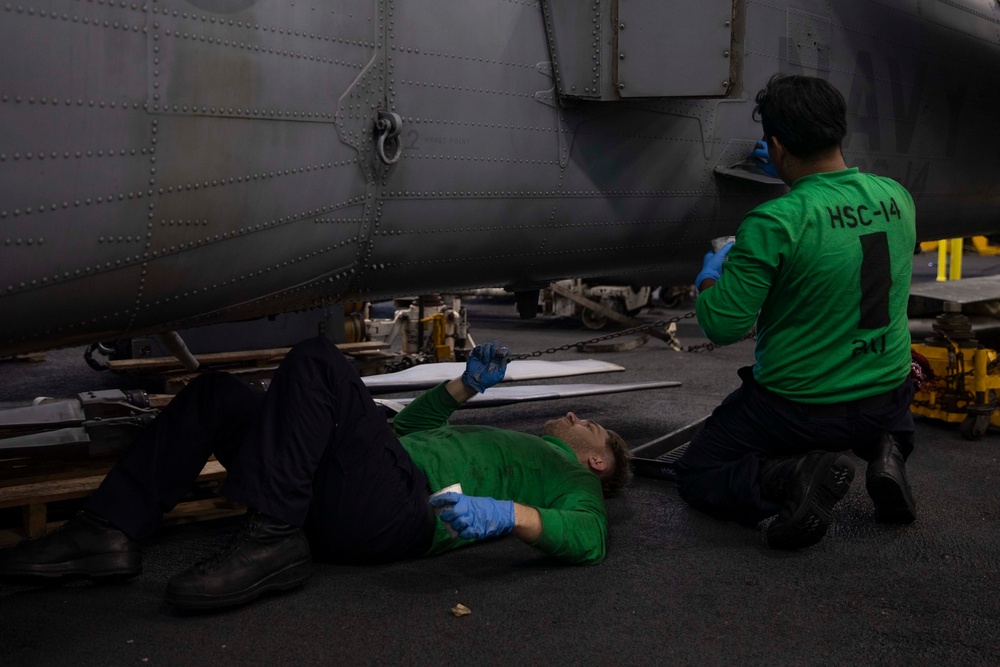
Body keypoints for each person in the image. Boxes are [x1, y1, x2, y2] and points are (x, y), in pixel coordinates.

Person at [0, 337, 631, 609]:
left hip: (399, 514)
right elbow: (401, 435)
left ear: (596, 460)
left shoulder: (571, 479)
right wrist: (464, 386)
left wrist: (509, 517)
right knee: (217, 392)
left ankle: (272, 540)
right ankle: (107, 531)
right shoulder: (508, 442)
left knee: (319, 360)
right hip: (363, 485)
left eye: (591, 427)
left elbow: (591, 540)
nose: (576, 415)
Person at [676, 74, 918, 550]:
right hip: (888, 396)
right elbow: (846, 218)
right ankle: (888, 452)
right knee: (887, 398)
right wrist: (795, 171)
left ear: (777, 145)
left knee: (699, 471)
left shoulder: (775, 221)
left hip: (802, 410)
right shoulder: (897, 197)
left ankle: (793, 476)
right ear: (837, 131)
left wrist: (709, 278)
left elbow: (724, 325)